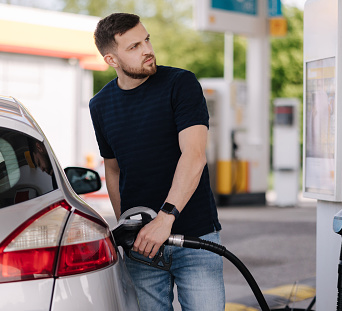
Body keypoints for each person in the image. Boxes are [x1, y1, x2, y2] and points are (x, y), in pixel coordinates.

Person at [90, 13, 224, 311]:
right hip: (140, 245)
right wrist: (126, 224)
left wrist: (166, 218)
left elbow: (194, 154)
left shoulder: (180, 84)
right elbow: (113, 169)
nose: (147, 49)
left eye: (147, 39)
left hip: (195, 234)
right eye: (134, 46)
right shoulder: (99, 105)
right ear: (112, 60)